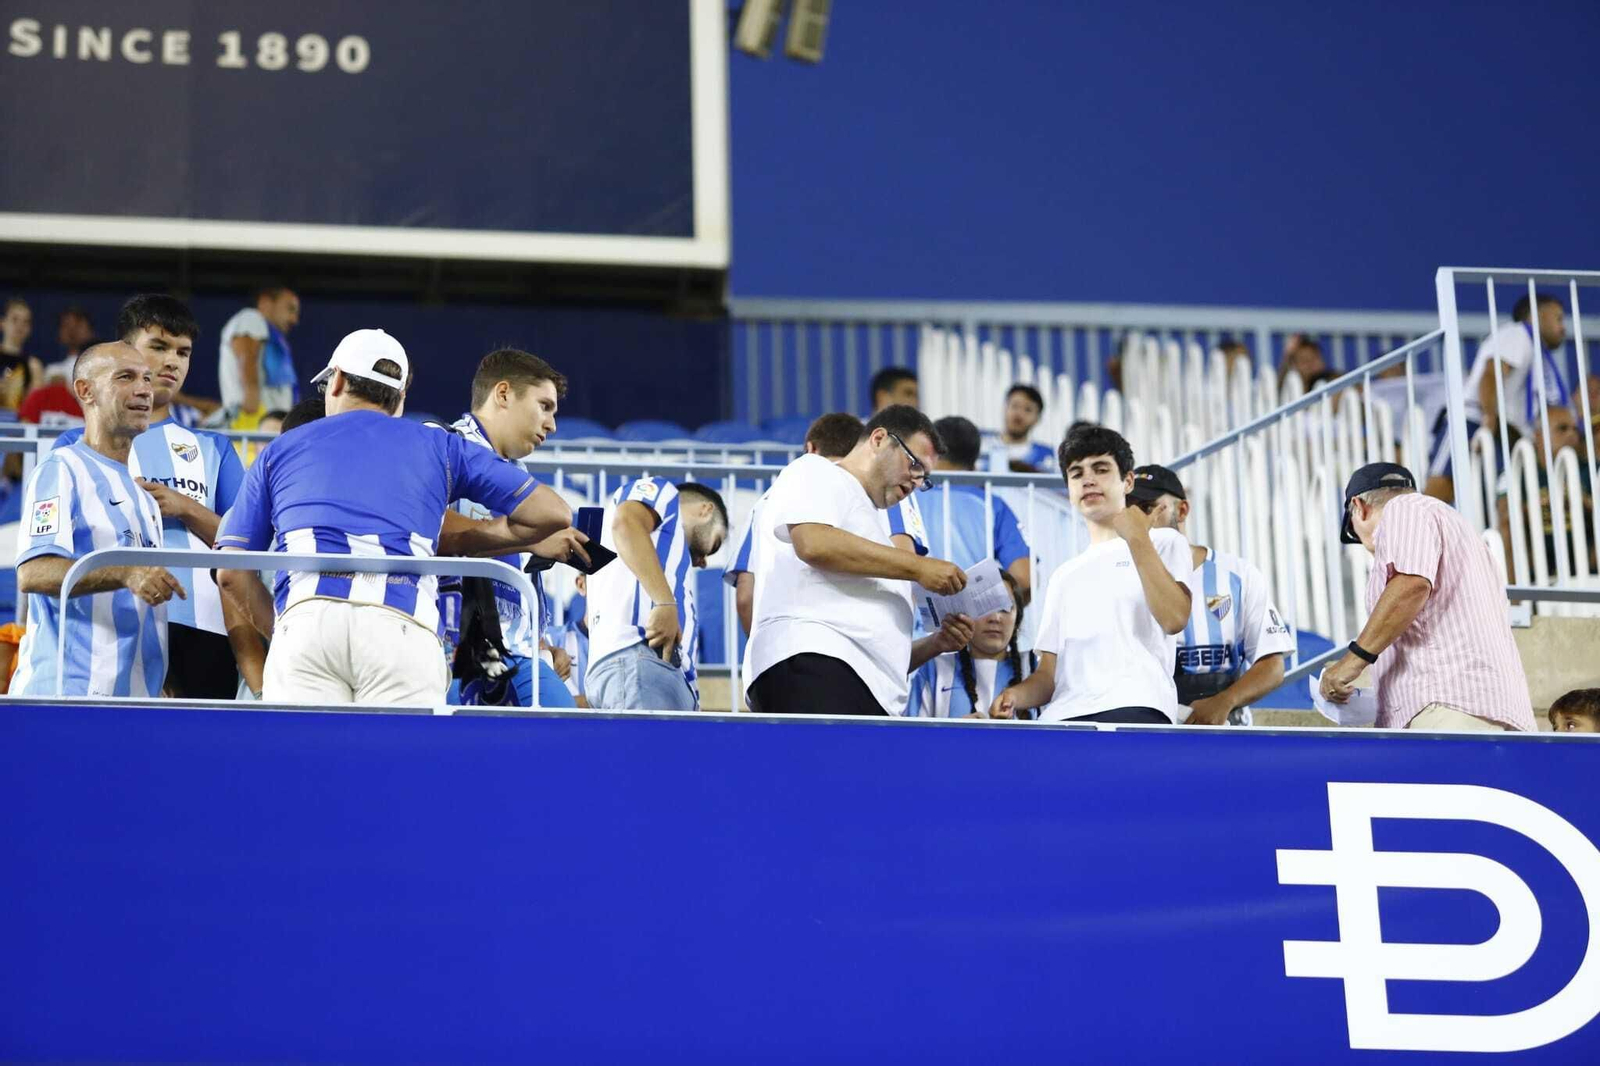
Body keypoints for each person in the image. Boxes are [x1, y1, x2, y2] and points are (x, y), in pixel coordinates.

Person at [214, 329, 579, 705]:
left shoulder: (280, 449)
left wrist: (285, 628)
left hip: (306, 623)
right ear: (401, 398)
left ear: (336, 380)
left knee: (310, 763)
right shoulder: (438, 445)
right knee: (400, 764)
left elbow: (229, 572)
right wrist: (501, 534)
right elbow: (552, 512)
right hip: (402, 628)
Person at [51, 295, 247, 699]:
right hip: (109, 633)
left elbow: (246, 547)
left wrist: (187, 509)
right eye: (158, 347)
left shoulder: (214, 448)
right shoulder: (74, 446)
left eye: (183, 352)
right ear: (124, 351)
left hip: (202, 627)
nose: (172, 361)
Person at [745, 405, 970, 717]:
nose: (916, 481)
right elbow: (813, 542)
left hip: (863, 685)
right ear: (878, 439)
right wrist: (918, 567)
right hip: (815, 662)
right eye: (913, 464)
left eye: (925, 477)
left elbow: (875, 649)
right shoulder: (815, 470)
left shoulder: (874, 525)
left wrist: (934, 644)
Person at [989, 424, 1192, 724]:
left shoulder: (1164, 542)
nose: (1088, 480)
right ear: (1069, 489)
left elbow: (1174, 618)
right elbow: (1049, 676)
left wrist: (1137, 538)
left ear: (1128, 481)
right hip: (1063, 718)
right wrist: (1015, 696)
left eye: (1101, 469)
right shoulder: (1063, 575)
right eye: (1077, 473)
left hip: (1136, 707)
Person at [10, 342, 181, 696]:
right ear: (85, 391)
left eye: (147, 379)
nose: (144, 389)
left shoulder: (145, 499)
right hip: (67, 695)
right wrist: (124, 572)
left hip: (134, 702)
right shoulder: (62, 468)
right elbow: (33, 572)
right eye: (126, 377)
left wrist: (156, 685)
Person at [1318, 462, 1534, 732]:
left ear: (1358, 507)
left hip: (1449, 707)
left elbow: (1411, 585)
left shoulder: (1403, 509)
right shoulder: (1461, 530)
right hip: (1494, 708)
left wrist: (1352, 661)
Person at [439, 348, 581, 709]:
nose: (552, 425)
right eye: (544, 406)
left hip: (519, 650)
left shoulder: (518, 475)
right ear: (503, 394)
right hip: (451, 647)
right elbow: (432, 528)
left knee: (570, 742)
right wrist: (527, 541)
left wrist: (542, 641)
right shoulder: (441, 445)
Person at [1129, 463, 1295, 726]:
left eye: (1147, 508)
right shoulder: (1119, 577)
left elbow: (1272, 664)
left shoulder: (1238, 574)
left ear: (1181, 510)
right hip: (1150, 735)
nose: (1137, 520)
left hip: (1227, 733)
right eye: (1129, 510)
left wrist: (1225, 700)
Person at [585, 477, 729, 711]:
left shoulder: (662, 558)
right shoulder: (664, 492)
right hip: (640, 662)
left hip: (641, 669)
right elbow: (626, 522)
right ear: (706, 510)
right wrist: (664, 602)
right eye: (715, 545)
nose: (703, 562)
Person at [725, 412, 864, 634]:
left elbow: (745, 596)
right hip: (856, 645)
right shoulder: (874, 495)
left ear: (810, 448)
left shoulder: (767, 502)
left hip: (784, 647)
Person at [1427, 293, 1569, 503]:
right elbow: (1491, 373)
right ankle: (1418, 530)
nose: (1563, 327)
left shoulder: (1535, 349)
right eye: (1558, 318)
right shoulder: (1518, 334)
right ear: (1538, 315)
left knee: (1483, 496)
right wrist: (1489, 418)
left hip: (1502, 432)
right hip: (1474, 420)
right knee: (1442, 486)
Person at [926, 415, 1031, 602]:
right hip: (973, 625)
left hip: (909, 624)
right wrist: (970, 603)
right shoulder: (993, 505)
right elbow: (1024, 581)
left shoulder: (903, 495)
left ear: (930, 452)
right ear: (974, 463)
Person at [907, 569, 1030, 718]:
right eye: (984, 606)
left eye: (1005, 609)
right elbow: (911, 736)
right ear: (964, 615)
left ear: (1017, 620)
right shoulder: (935, 669)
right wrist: (959, 734)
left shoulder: (1035, 669)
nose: (996, 618)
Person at [1494, 402, 1592, 576]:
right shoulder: (1516, 471)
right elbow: (1505, 514)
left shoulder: (1590, 468)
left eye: (1575, 429)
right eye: (1562, 429)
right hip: (1536, 556)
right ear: (1539, 435)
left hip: (1585, 553)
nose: (1571, 434)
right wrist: (1537, 506)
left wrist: (1584, 501)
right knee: (1507, 529)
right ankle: (1516, 601)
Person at [218, 284, 301, 420]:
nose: (294, 319)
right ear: (265, 302)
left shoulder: (275, 339)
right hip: (255, 425)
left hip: (270, 425)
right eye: (290, 309)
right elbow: (247, 356)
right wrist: (252, 408)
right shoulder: (251, 318)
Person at [985, 384, 1056, 472]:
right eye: (1015, 406)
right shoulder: (983, 448)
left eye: (1028, 409)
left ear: (1037, 418)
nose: (1019, 414)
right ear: (1005, 408)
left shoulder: (1047, 457)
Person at [1, 296, 44, 409]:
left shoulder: (34, 366)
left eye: (26, 322)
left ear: (30, 329)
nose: (20, 325)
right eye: (15, 319)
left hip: (17, 424)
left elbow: (33, 409)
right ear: (3, 323)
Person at [42, 306, 97, 382]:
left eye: (77, 325)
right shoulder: (52, 371)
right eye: (66, 325)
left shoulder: (99, 367)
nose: (72, 331)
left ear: (90, 331)